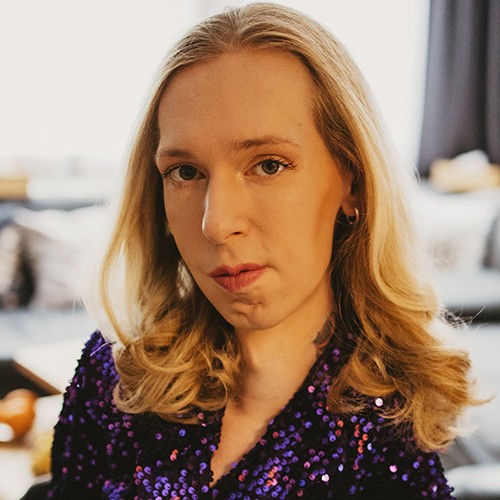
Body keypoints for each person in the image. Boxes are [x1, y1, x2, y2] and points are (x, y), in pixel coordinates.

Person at [46, 3, 480, 498]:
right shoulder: (116, 374)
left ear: (353, 182)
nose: (216, 224)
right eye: (185, 172)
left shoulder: (389, 434)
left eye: (269, 165)